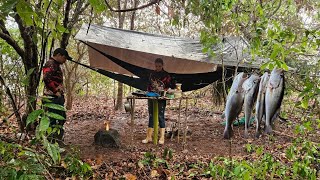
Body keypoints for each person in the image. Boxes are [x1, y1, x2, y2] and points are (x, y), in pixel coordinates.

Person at [142, 58, 175, 145]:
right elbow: (149, 85)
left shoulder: (166, 75)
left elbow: (169, 86)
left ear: (162, 65)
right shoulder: (152, 74)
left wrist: (165, 91)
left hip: (161, 97)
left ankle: (162, 138)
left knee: (160, 116)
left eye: (159, 66)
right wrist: (148, 92)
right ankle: (148, 137)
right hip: (151, 97)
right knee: (151, 115)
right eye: (156, 66)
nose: (157, 68)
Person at [42, 48, 72, 143]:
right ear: (58, 55)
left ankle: (57, 140)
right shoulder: (50, 64)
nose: (65, 60)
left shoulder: (56, 65)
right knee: (53, 120)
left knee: (61, 118)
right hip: (52, 98)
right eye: (64, 58)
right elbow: (46, 78)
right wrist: (55, 91)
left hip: (57, 98)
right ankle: (52, 142)